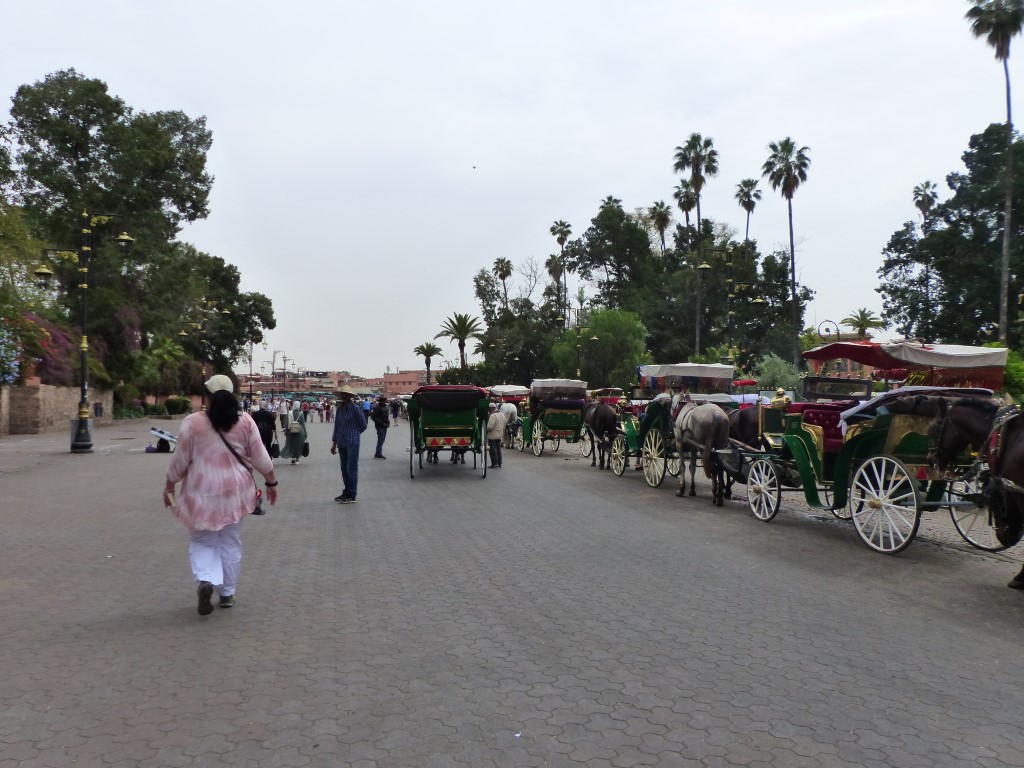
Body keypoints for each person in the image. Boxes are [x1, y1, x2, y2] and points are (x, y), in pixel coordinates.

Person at [162, 374, 278, 615]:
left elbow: (180, 460)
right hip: (235, 493)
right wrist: (271, 482)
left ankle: (206, 579)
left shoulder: (192, 422)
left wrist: (170, 485)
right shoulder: (245, 421)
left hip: (201, 492)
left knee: (203, 541)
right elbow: (260, 456)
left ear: (207, 397)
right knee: (230, 542)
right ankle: (227, 593)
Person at [331, 385, 367, 503]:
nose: (344, 397)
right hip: (341, 442)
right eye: (343, 395)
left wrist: (355, 433)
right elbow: (336, 427)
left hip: (352, 442)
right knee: (344, 469)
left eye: (346, 395)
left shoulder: (355, 408)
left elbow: (363, 425)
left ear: (350, 396)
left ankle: (352, 495)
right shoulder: (340, 409)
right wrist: (334, 444)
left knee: (351, 469)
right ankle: (346, 491)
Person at [486, 401, 506, 468]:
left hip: (492, 435)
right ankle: (499, 462)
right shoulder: (502, 414)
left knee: (493, 450)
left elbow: (490, 427)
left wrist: (486, 429)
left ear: (491, 408)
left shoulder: (493, 415)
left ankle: (494, 463)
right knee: (498, 449)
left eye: (489, 409)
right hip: (499, 434)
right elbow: (504, 424)